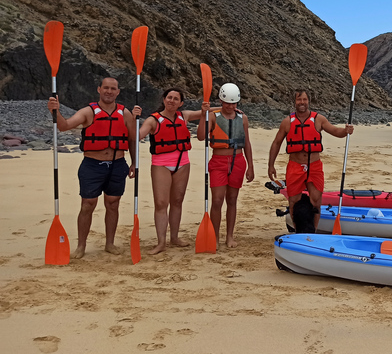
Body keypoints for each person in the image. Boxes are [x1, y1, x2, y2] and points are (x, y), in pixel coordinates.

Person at [46, 77, 137, 259]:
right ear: (99, 89)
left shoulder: (125, 113)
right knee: (87, 205)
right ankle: (81, 246)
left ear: (118, 92)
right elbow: (64, 126)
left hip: (118, 165)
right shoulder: (88, 111)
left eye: (113, 89)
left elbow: (132, 138)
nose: (109, 91)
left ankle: (109, 243)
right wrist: (54, 111)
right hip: (92, 165)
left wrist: (134, 163)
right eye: (106, 88)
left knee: (113, 204)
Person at [268, 89, 354, 230]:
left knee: (315, 201)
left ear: (309, 101)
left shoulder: (319, 119)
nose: (302, 102)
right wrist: (271, 165)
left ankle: (313, 230)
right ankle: (297, 231)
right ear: (294, 102)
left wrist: (345, 131)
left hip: (314, 166)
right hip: (295, 166)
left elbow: (335, 131)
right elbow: (276, 143)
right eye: (299, 100)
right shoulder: (287, 122)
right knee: (293, 202)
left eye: (304, 100)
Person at [133, 88, 202, 255]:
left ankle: (175, 238)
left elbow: (203, 112)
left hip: (182, 164)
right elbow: (136, 136)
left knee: (177, 201)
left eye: (176, 99)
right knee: (161, 203)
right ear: (164, 99)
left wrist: (226, 107)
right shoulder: (153, 120)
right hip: (161, 165)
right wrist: (133, 118)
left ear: (181, 103)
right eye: (169, 97)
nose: (172, 101)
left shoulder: (183, 116)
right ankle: (161, 242)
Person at [197, 83, 254, 248]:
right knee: (216, 200)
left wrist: (251, 166)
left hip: (238, 161)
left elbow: (247, 143)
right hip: (218, 162)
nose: (230, 106)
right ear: (221, 101)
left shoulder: (242, 118)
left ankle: (229, 236)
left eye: (233, 103)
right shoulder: (213, 116)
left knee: (232, 199)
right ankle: (214, 237)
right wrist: (203, 114)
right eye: (227, 102)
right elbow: (201, 136)